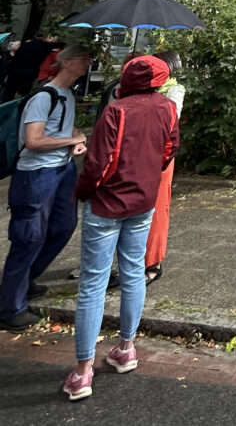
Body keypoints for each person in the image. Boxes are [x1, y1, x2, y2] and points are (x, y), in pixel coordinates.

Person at [63, 55, 179, 401]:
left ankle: (83, 372)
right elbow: (168, 151)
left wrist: (82, 192)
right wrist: (145, 178)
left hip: (107, 205)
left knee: (93, 283)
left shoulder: (117, 111)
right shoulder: (167, 109)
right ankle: (126, 348)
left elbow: (98, 163)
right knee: (132, 273)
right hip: (143, 203)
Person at [0, 44, 91, 332]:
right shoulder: (43, 97)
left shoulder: (69, 94)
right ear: (66, 63)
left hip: (62, 169)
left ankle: (26, 279)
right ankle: (9, 306)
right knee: (29, 235)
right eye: (83, 59)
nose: (88, 63)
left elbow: (66, 129)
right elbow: (34, 141)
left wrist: (77, 137)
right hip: (36, 174)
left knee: (64, 225)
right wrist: (68, 141)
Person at [144, 50, 185, 285]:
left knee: (158, 206)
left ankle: (152, 261)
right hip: (134, 158)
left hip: (159, 155)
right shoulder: (125, 94)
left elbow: (170, 123)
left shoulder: (173, 91)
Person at [1, 34, 63, 102]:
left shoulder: (25, 45)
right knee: (24, 94)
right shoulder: (44, 46)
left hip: (16, 72)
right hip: (31, 73)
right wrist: (52, 41)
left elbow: (14, 61)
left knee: (9, 93)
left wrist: (8, 72)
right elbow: (61, 44)